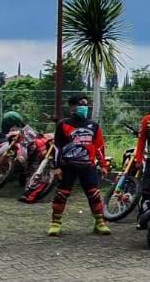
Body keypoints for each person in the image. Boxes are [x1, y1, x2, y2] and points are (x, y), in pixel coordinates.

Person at [48, 95, 110, 237]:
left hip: (88, 166)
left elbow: (99, 147)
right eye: (81, 104)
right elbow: (57, 147)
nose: (84, 107)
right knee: (61, 194)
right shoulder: (63, 124)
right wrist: (56, 167)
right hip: (67, 165)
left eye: (86, 105)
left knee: (94, 194)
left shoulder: (94, 126)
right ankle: (55, 223)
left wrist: (103, 165)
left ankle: (100, 223)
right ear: (72, 107)